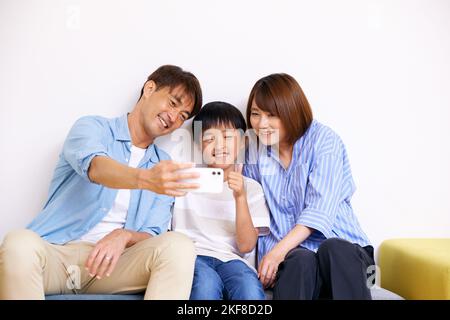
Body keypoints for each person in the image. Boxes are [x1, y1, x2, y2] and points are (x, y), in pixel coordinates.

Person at [0, 65, 203, 300]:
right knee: (18, 243)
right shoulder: (92, 128)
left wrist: (124, 235)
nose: (174, 117)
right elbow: (96, 168)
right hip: (58, 255)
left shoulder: (163, 165)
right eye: (173, 103)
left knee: (179, 246)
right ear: (149, 89)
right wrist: (146, 179)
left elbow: (153, 233)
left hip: (114, 266)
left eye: (183, 116)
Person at [243, 73, 374, 300]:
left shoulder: (324, 140)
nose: (261, 124)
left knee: (333, 248)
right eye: (255, 114)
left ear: (291, 110)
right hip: (295, 258)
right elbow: (253, 213)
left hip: (344, 253)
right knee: (299, 260)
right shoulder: (253, 153)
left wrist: (276, 253)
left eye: (271, 115)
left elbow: (319, 210)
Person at [171, 102, 270, 300]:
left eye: (227, 137)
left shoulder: (251, 188)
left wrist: (240, 197)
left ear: (242, 142)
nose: (219, 145)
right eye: (209, 138)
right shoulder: (185, 180)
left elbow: (246, 246)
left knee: (249, 289)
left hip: (234, 261)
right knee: (206, 285)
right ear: (199, 144)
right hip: (194, 257)